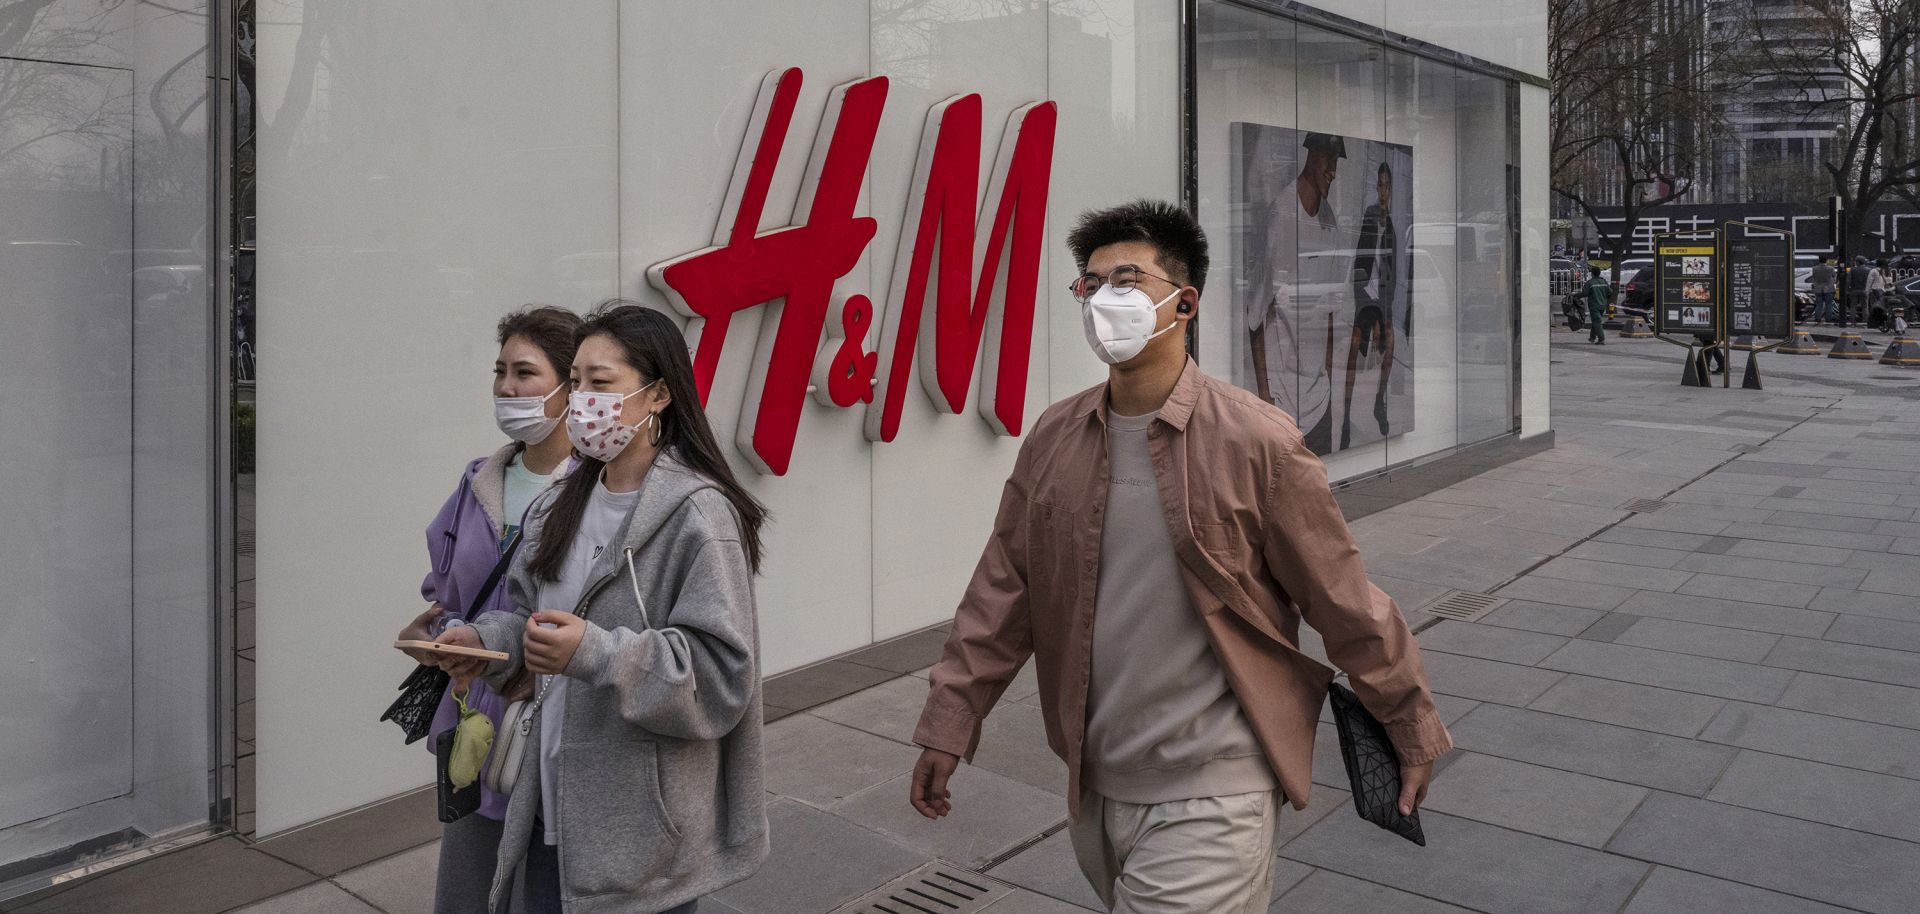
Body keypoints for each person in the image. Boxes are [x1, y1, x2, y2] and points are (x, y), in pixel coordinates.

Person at [910, 201, 1450, 913]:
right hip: (1094, 786)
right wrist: (952, 722)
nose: (1104, 299)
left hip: (1214, 787)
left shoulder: (1257, 442)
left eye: (1126, 279)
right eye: (1091, 283)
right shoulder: (1054, 438)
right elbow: (1002, 593)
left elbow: (1342, 597)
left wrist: (1409, 722)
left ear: (1184, 301)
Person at [435, 303, 771, 914]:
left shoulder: (699, 516)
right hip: (544, 799)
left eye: (602, 382)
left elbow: (723, 676)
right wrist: (484, 645)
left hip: (639, 833)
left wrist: (595, 652)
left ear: (659, 395)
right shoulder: (560, 502)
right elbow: (526, 615)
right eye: (579, 381)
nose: (583, 399)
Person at [396, 305, 582, 914]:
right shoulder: (480, 479)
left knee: (545, 889)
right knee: (469, 890)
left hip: (549, 726)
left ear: (568, 385)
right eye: (500, 371)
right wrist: (440, 633)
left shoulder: (595, 492)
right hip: (474, 721)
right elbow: (444, 587)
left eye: (525, 373)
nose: (507, 388)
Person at [1245, 131, 1351, 454]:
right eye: (1329, 161)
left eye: (1336, 163)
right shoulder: (1281, 215)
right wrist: (1265, 396)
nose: (1333, 171)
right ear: (1312, 156)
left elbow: (1330, 311)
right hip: (1283, 400)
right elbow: (1256, 316)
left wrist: (1330, 381)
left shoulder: (1330, 222)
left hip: (1319, 400)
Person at [1340, 161, 1399, 451]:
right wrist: (1370, 313)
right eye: (1380, 185)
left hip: (1382, 301)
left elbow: (1394, 275)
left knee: (1392, 346)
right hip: (1365, 298)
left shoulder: (1392, 226)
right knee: (1354, 347)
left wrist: (1384, 316)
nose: (1383, 191)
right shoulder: (1370, 216)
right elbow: (1359, 267)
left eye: (1387, 185)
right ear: (1376, 188)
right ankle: (1346, 420)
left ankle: (1379, 401)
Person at [1582, 265, 1611, 344]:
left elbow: (1584, 293)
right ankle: (1592, 337)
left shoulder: (1590, 283)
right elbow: (1610, 292)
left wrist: (1576, 295)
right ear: (1599, 273)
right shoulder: (1604, 281)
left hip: (1594, 305)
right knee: (1596, 321)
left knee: (1596, 321)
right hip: (1603, 305)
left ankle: (1601, 339)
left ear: (1592, 274)